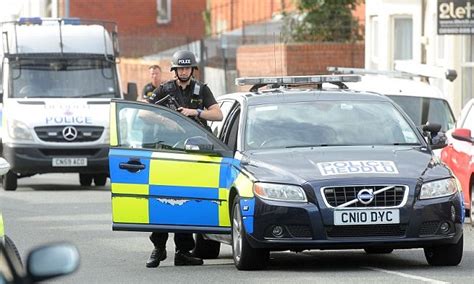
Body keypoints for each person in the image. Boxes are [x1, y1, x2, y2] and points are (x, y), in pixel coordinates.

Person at [145, 50, 223, 268]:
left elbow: (218, 114)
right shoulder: (164, 89)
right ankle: (158, 248)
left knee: (185, 200)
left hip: (192, 153)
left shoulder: (201, 89)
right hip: (167, 152)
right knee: (162, 199)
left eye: (188, 68)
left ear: (192, 70)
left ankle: (183, 251)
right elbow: (143, 113)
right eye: (181, 68)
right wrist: (165, 120)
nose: (185, 71)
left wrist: (194, 112)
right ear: (175, 70)